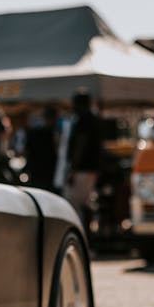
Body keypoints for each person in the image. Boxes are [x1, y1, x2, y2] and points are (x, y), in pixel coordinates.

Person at [65, 91, 102, 224]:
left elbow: (81, 144)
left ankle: (82, 231)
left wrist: (73, 168)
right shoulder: (92, 118)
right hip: (89, 168)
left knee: (76, 202)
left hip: (83, 168)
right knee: (84, 201)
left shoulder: (84, 119)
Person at [22, 105, 59, 191]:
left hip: (36, 171)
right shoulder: (54, 133)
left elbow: (26, 150)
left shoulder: (34, 133)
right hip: (48, 172)